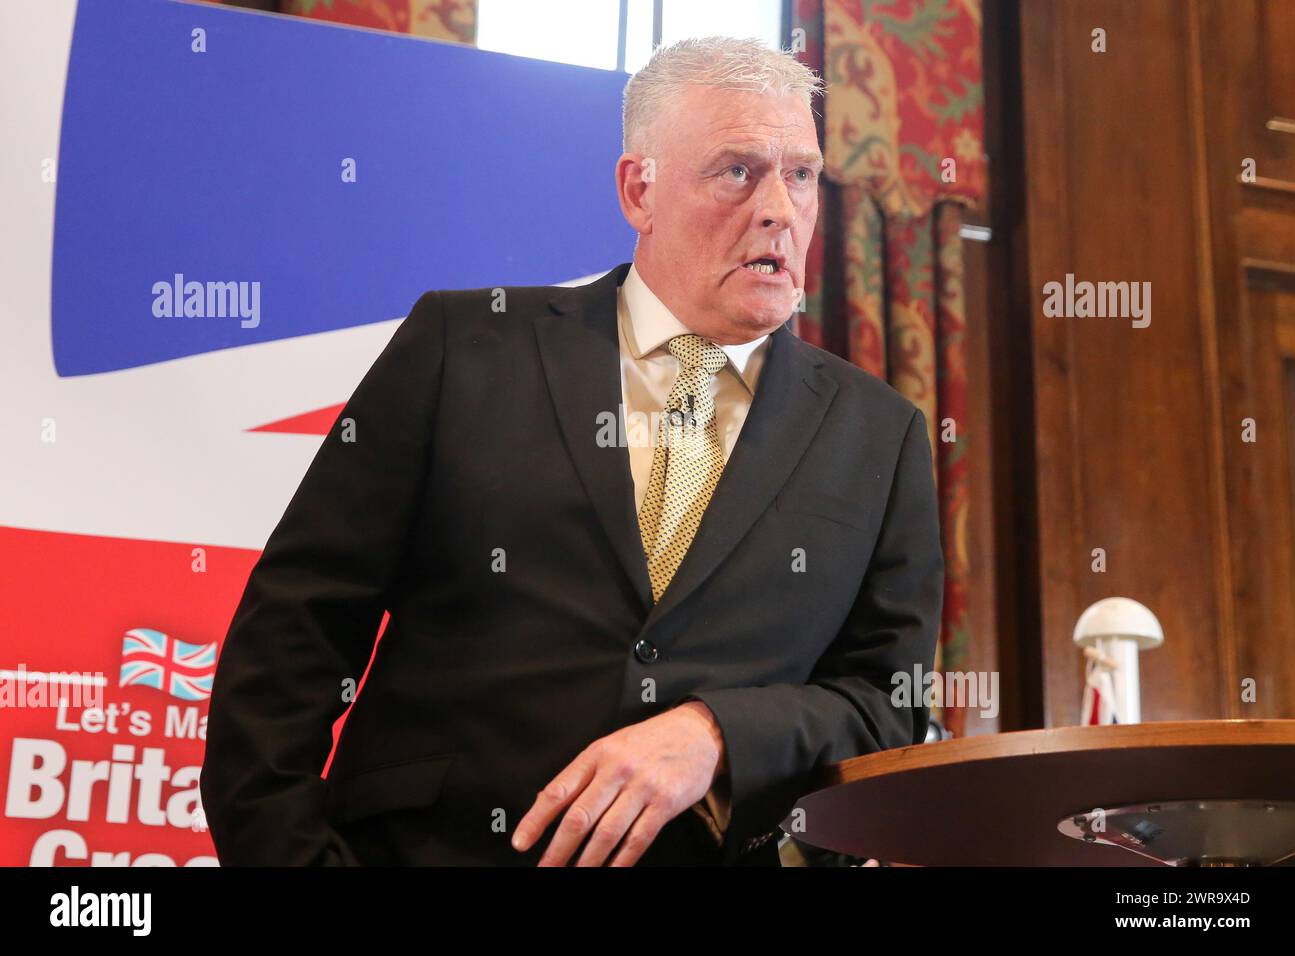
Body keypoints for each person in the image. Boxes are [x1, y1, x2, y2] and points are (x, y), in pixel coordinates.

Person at [200, 35, 943, 867]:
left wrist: (717, 735)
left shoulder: (880, 433)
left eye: (800, 175)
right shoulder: (463, 346)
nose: (779, 208)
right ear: (640, 190)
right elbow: (294, 630)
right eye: (738, 171)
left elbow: (888, 705)